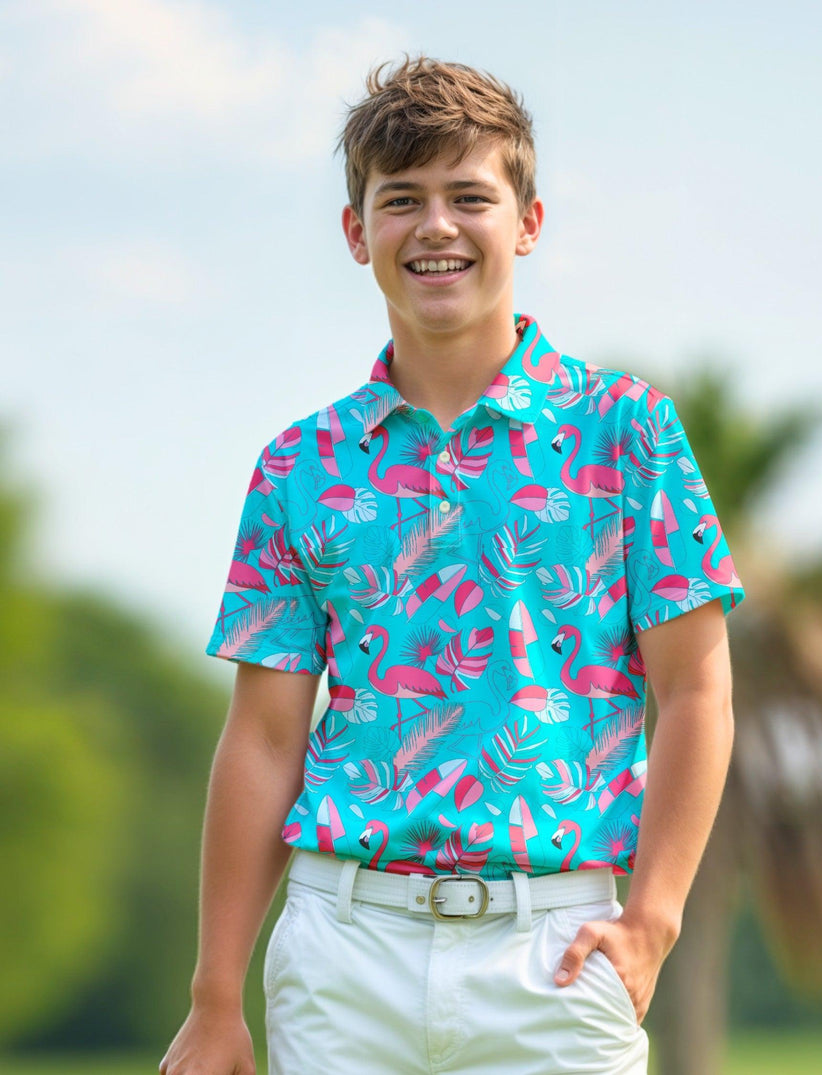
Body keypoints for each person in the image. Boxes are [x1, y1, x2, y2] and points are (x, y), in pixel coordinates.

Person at [160, 56, 743, 1075]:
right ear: (357, 234)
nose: (435, 226)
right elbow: (260, 737)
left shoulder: (626, 431)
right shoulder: (300, 465)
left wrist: (650, 920)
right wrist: (216, 997)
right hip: (342, 955)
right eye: (401, 201)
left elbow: (695, 686)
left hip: (555, 953)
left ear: (526, 221)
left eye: (468, 196)